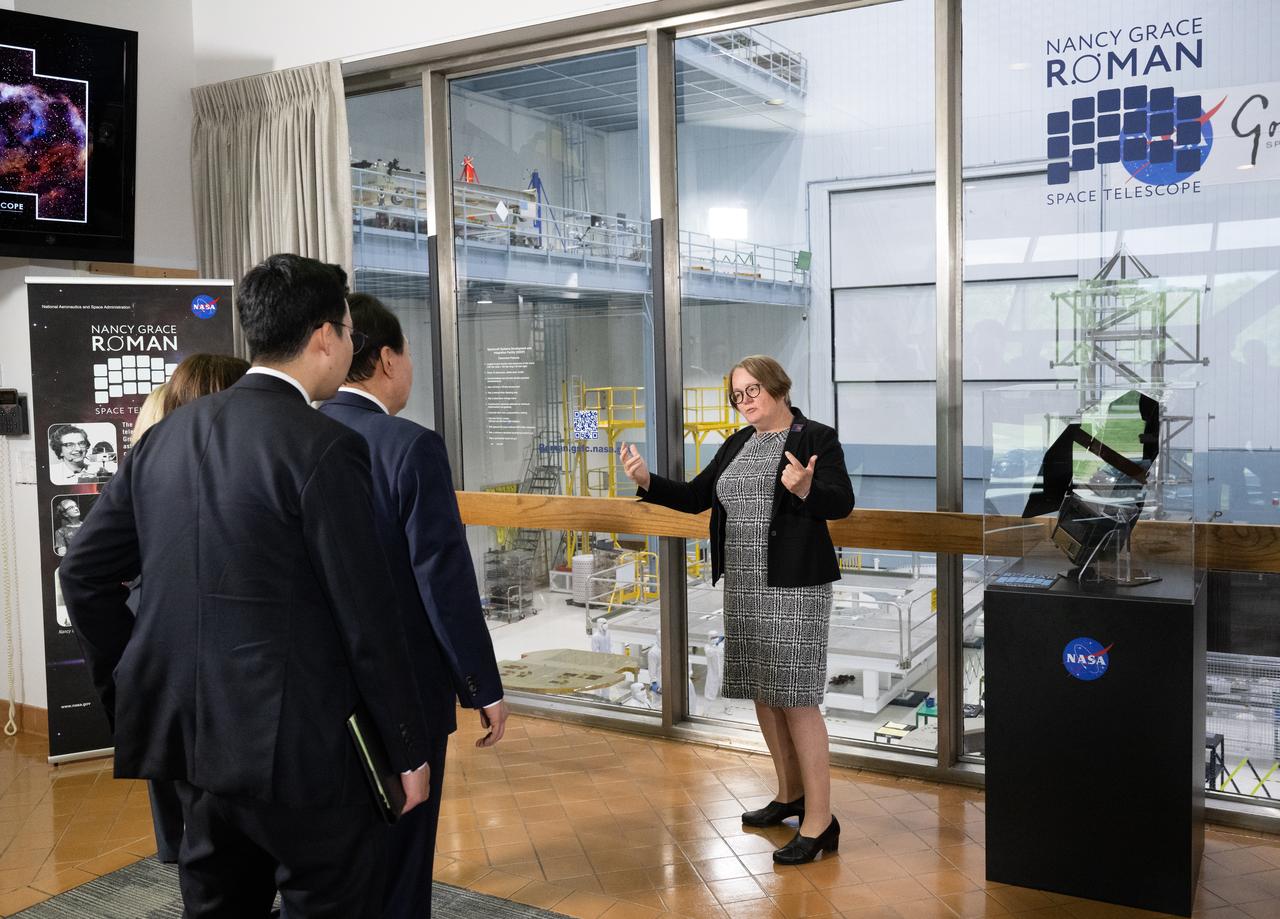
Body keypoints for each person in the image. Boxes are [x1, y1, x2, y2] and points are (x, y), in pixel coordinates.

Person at [59, 254, 433, 918]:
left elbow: (81, 571)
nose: (350, 347)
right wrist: (406, 746)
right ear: (322, 336)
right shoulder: (324, 446)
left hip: (195, 747)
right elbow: (366, 615)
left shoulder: (165, 438)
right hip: (307, 758)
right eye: (347, 332)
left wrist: (136, 677)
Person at [619, 354, 854, 866]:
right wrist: (645, 480)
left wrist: (807, 488)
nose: (745, 401)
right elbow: (696, 496)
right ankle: (789, 794)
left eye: (752, 391)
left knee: (796, 698)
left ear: (778, 388)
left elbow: (842, 502)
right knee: (764, 695)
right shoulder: (736, 445)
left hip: (794, 588)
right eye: (737, 395)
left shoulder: (815, 438)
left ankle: (820, 822)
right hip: (745, 586)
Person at [319, 293, 507, 919]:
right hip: (402, 690)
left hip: (319, 691)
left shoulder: (301, 432)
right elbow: (442, 579)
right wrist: (481, 683)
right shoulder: (409, 447)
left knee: (337, 859)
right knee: (403, 854)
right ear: (387, 360)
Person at [122, 354, 250, 866]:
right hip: (203, 659)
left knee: (187, 811)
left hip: (157, 648)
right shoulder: (198, 453)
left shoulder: (155, 429)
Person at [48, 424, 112, 484]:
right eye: (70, 445)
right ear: (60, 451)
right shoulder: (51, 474)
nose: (78, 449)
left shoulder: (99, 471)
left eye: (81, 443)